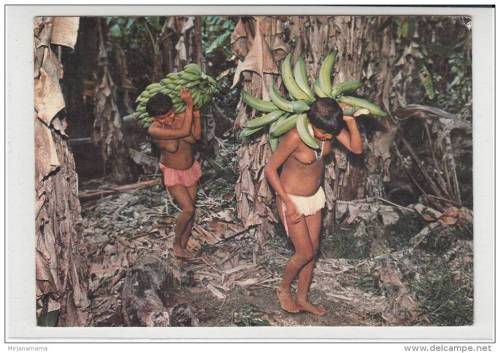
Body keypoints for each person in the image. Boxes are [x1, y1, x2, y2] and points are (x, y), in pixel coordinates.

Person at [264, 97, 363, 315]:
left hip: (314, 198)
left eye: (330, 134)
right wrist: (287, 202)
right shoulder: (295, 136)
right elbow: (270, 170)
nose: (327, 137)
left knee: (313, 251)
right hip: (292, 199)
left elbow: (356, 149)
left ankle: (302, 297)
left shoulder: (331, 129)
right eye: (322, 132)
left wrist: (351, 121)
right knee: (304, 252)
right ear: (310, 120)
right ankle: (282, 288)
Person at [146, 88, 202, 259]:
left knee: (191, 214)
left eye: (170, 114)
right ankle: (176, 243)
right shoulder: (154, 130)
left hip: (190, 170)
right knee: (188, 209)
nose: (167, 119)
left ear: (172, 109)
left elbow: (195, 137)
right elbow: (183, 134)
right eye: (161, 118)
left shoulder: (179, 120)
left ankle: (184, 248)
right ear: (154, 118)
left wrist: (196, 116)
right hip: (173, 173)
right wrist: (190, 107)